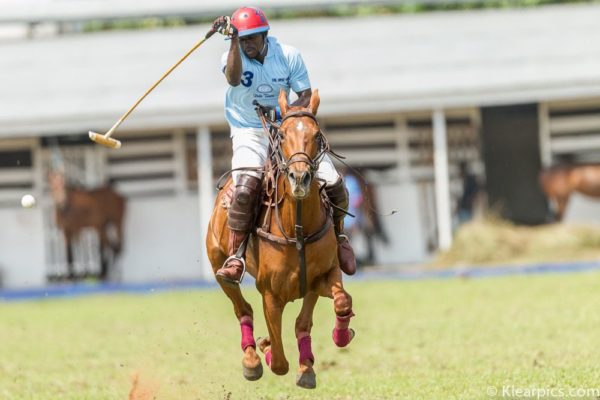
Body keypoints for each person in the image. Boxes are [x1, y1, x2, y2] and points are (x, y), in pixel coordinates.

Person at [211, 7, 356, 285]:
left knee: (334, 181)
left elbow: (304, 94)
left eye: (251, 38)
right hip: (248, 130)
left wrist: (289, 117)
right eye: (243, 40)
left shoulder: (288, 55)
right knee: (245, 189)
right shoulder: (233, 55)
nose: (247, 44)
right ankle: (236, 256)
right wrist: (232, 39)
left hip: (287, 129)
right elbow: (232, 78)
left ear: (265, 35)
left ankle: (340, 238)